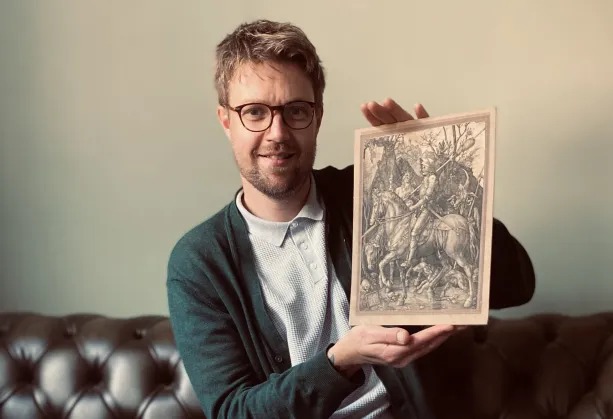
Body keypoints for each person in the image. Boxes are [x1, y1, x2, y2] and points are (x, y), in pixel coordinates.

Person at [166, 19, 535, 419]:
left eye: (296, 111)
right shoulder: (199, 262)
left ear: (318, 117)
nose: (277, 133)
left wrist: (432, 169)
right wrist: (339, 362)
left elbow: (515, 284)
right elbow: (233, 411)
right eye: (254, 112)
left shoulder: (369, 196)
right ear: (226, 120)